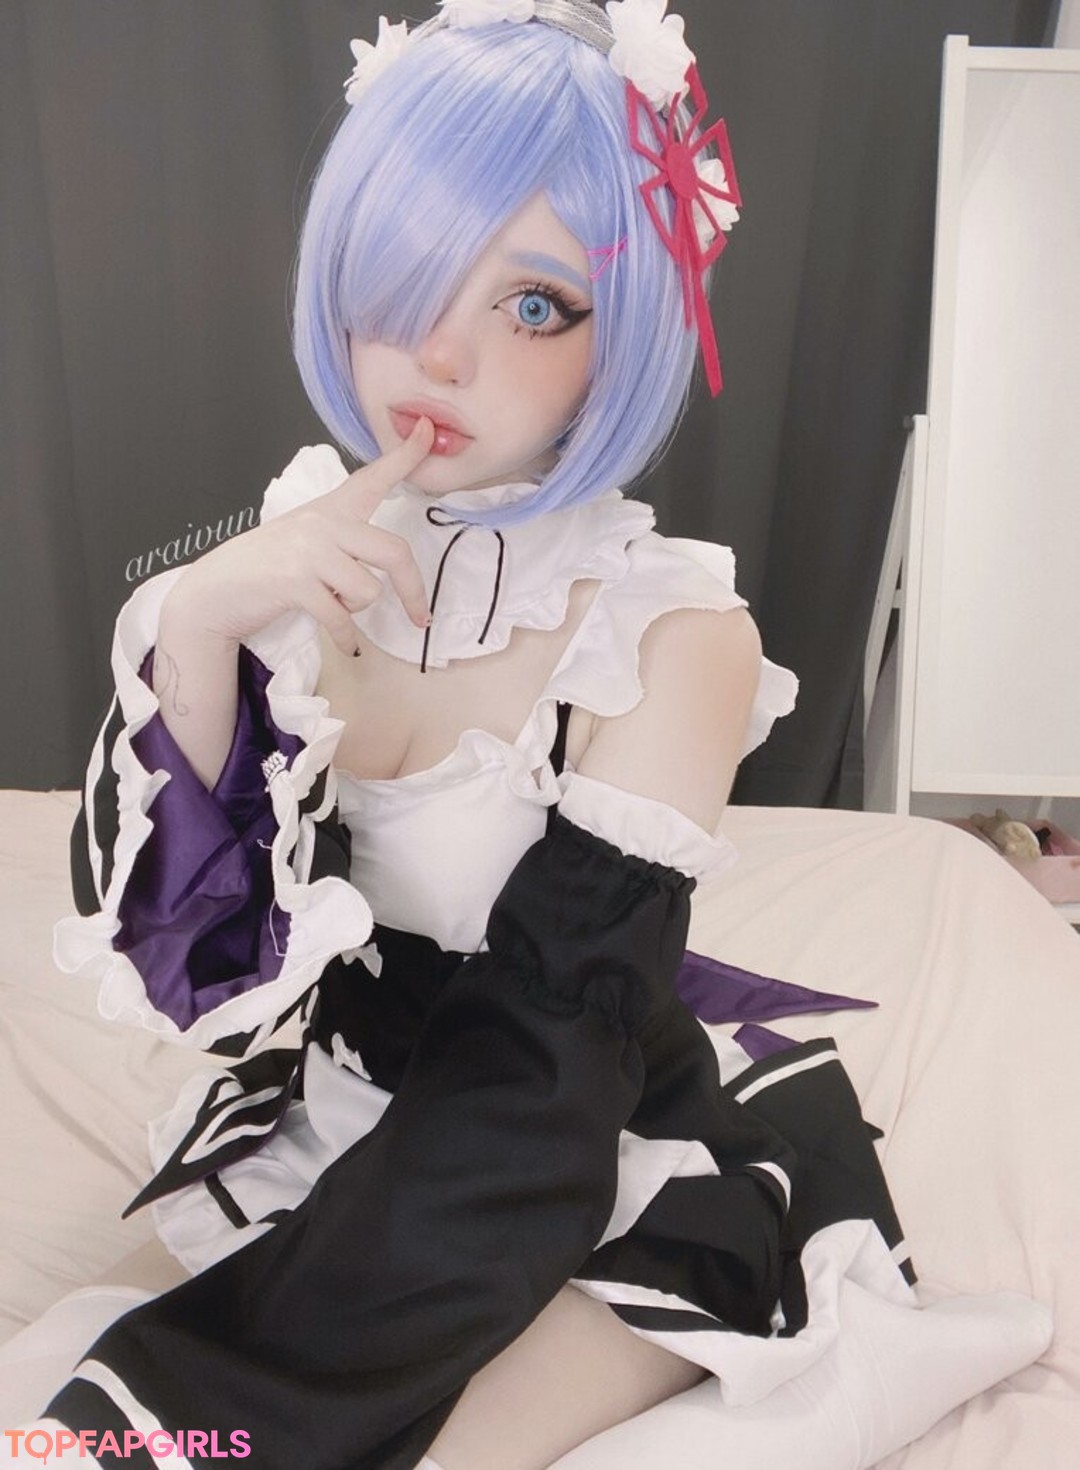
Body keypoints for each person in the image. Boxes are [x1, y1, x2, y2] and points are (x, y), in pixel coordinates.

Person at [1, 4, 1050, 1468]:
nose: (440, 351)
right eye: (408, 273)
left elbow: (538, 1079)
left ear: (629, 334)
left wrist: (224, 1383)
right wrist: (200, 626)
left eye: (536, 305)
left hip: (587, 1154)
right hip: (346, 1124)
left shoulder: (668, 637)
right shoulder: (303, 546)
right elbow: (191, 958)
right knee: (80, 1385)